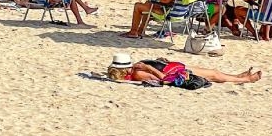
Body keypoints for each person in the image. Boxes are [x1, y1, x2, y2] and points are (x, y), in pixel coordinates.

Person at [106, 54, 261, 85]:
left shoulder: (135, 69)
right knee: (213, 74)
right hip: (175, 72)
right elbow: (162, 78)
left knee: (213, 72)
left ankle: (236, 76)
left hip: (173, 66)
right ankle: (245, 79)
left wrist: (157, 62)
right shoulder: (139, 73)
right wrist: (147, 67)